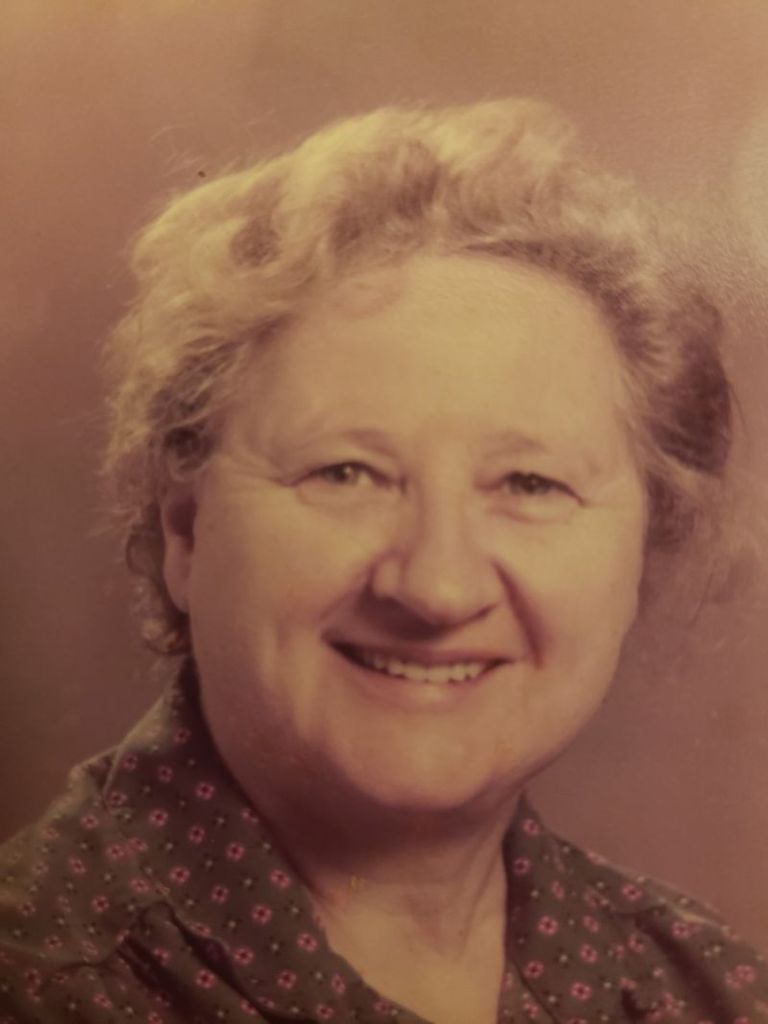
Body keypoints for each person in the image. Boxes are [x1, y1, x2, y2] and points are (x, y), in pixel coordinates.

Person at [0, 99, 765, 1024]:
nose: (436, 586)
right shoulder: (38, 982)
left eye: (530, 484)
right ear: (188, 533)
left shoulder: (711, 991)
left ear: (639, 555)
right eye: (346, 473)